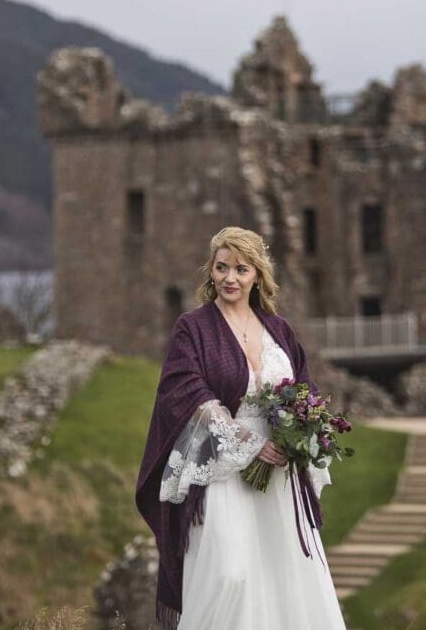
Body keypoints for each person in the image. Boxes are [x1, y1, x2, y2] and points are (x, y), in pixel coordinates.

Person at [135, 226, 347, 630]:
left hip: (280, 475)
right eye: (221, 267)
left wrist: (303, 432)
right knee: (229, 574)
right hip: (224, 468)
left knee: (291, 575)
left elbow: (304, 388)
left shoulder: (279, 329)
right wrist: (248, 445)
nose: (229, 278)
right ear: (210, 271)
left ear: (257, 276)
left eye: (240, 269)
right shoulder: (193, 327)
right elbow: (186, 390)